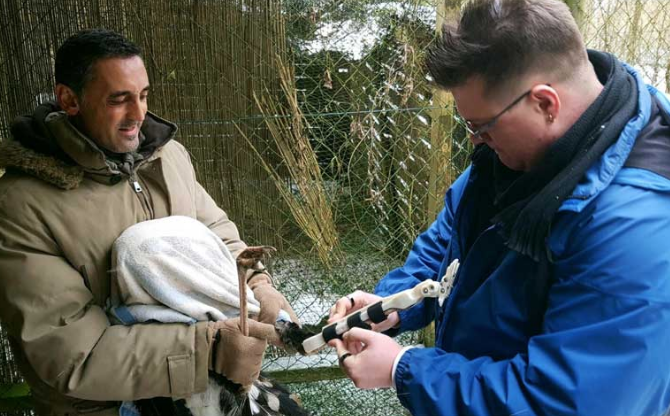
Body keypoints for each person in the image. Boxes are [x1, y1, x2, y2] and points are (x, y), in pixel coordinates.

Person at [328, 1, 670, 415]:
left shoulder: (634, 229)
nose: (474, 140)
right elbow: (454, 236)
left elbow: (567, 402)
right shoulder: (517, 153)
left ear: (546, 103)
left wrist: (403, 369)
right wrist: (394, 305)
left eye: (480, 126)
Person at [0, 28, 297, 416]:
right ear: (70, 99)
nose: (138, 114)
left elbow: (217, 235)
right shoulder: (22, 204)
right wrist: (210, 350)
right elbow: (70, 356)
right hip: (108, 406)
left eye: (143, 95)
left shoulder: (169, 156)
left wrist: (258, 285)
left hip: (208, 388)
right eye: (119, 99)